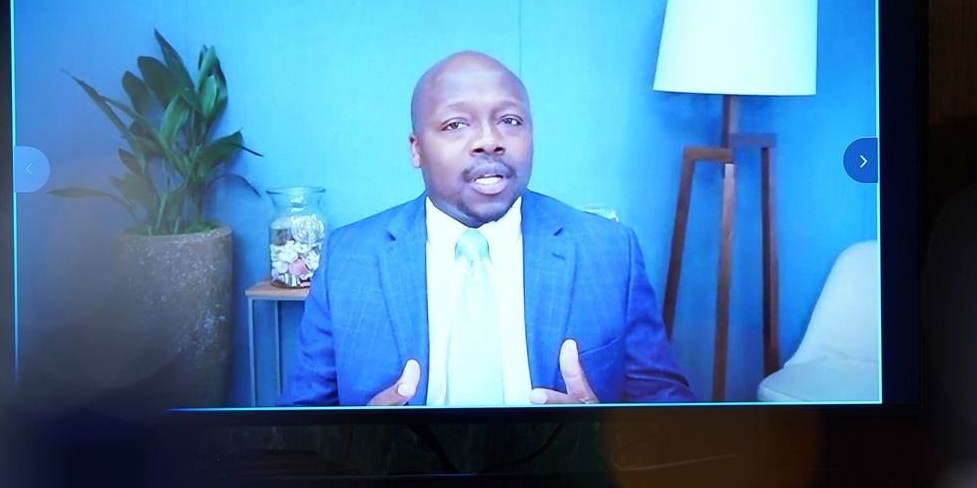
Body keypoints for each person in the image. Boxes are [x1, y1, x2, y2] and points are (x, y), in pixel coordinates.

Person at [279, 51, 695, 407]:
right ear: (416, 149)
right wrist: (358, 440)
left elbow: (669, 411)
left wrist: (603, 431)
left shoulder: (608, 252)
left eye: (511, 120)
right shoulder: (348, 259)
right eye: (456, 124)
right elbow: (299, 427)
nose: (490, 141)